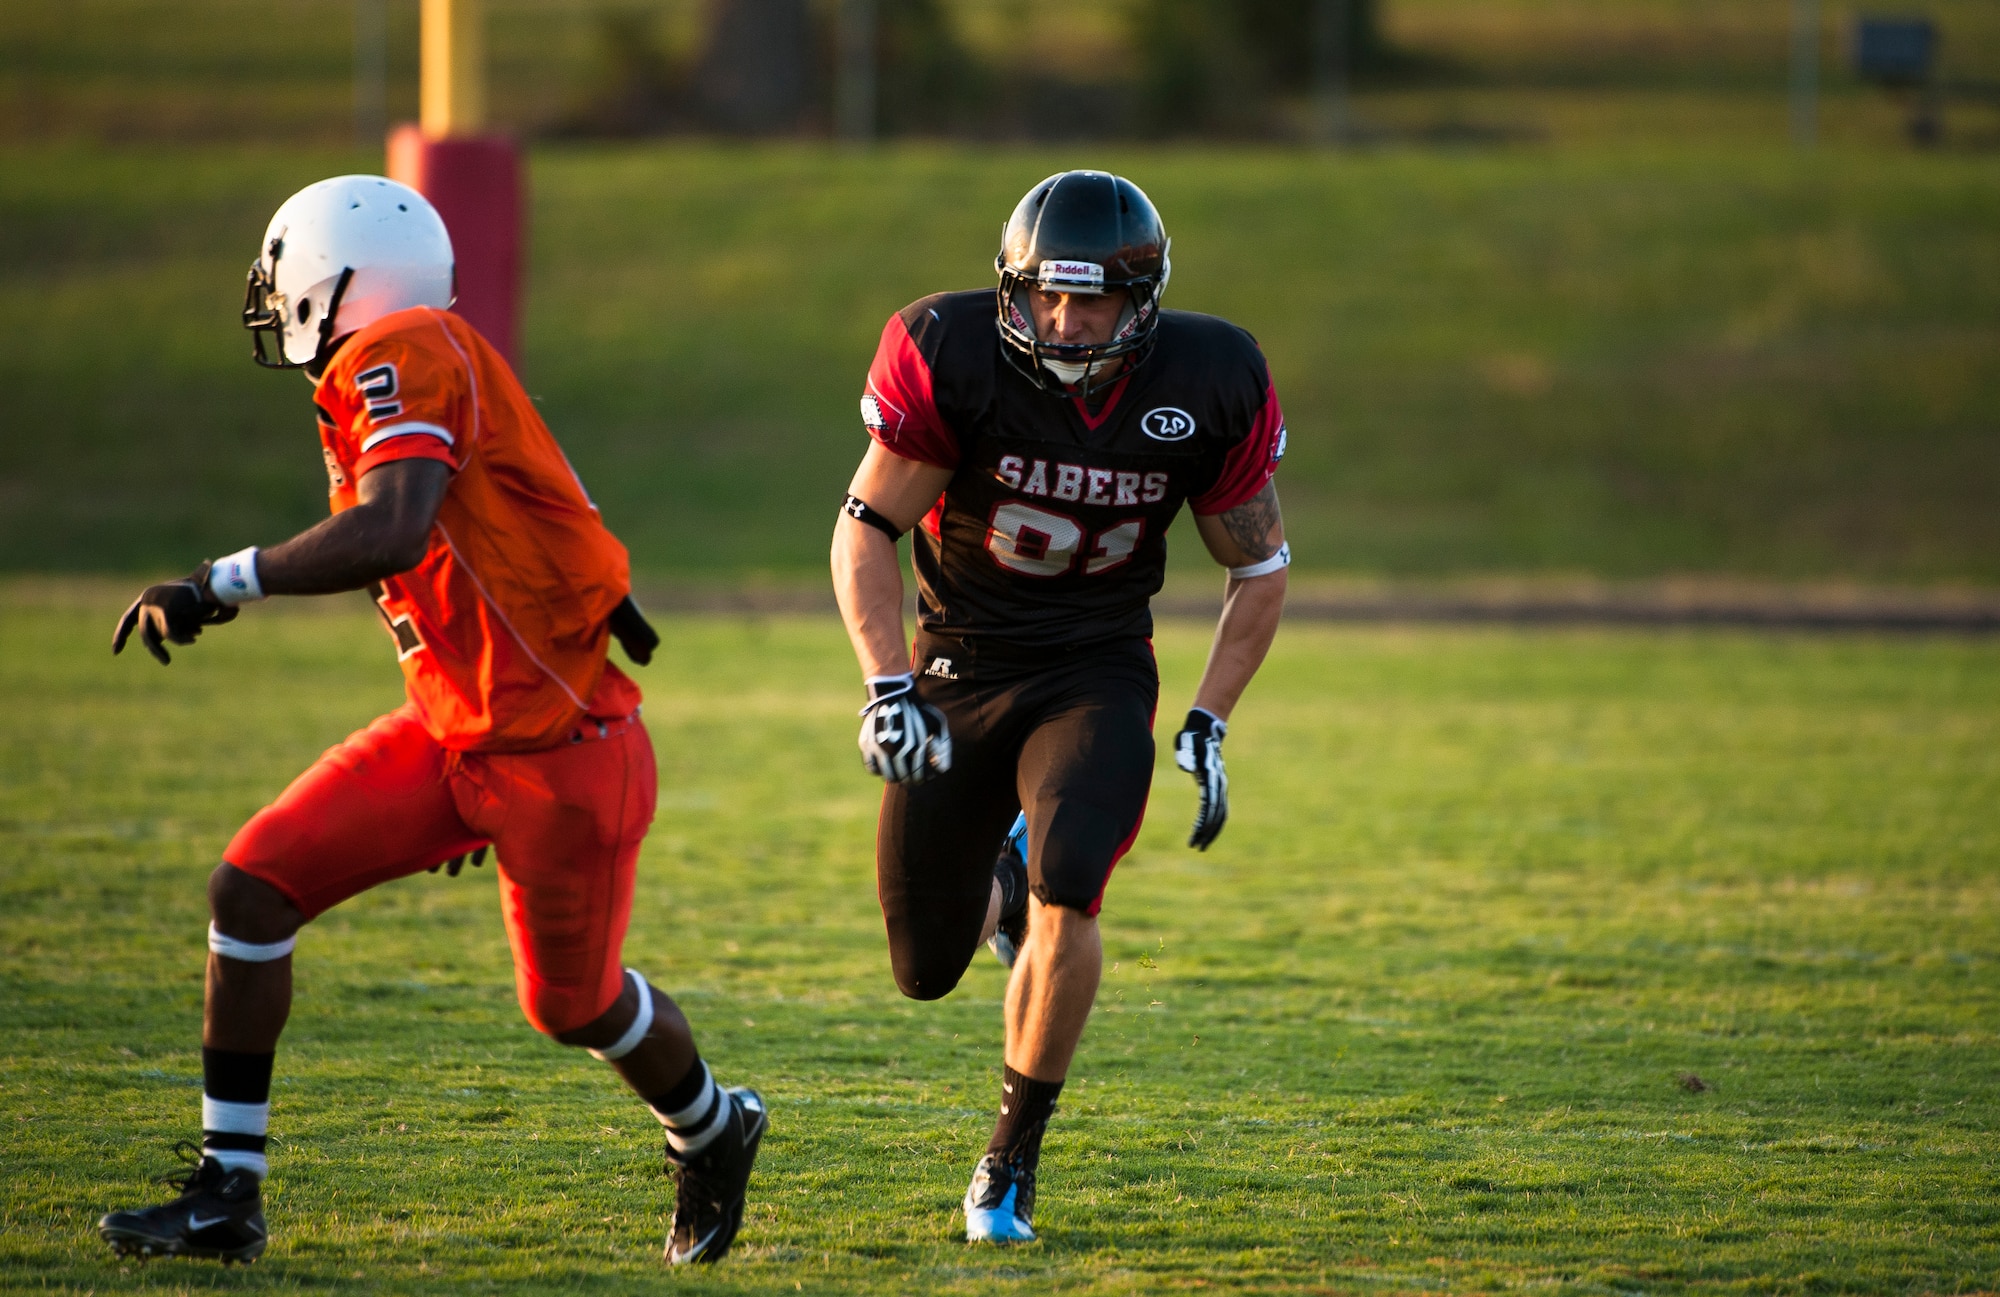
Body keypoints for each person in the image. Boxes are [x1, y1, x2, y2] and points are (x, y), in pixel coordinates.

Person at [96, 175, 763, 1267]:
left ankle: (712, 1123)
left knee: (574, 1005)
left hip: (559, 755)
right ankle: (228, 1192)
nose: (277, 303)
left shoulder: (399, 348)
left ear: (338, 277)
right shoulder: (430, 353)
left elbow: (392, 530)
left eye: (286, 278)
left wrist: (217, 582)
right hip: (456, 732)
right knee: (251, 887)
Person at [831, 170, 1290, 1243]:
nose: (1064, 320)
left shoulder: (1209, 376)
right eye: (1045, 297)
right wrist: (885, 685)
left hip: (1094, 668)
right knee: (923, 965)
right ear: (1013, 289)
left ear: (1143, 303)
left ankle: (1009, 1161)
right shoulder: (950, 353)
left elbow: (1256, 565)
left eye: (1090, 302)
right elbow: (864, 524)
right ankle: (1002, 866)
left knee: (1071, 884)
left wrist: (1210, 716)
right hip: (958, 665)